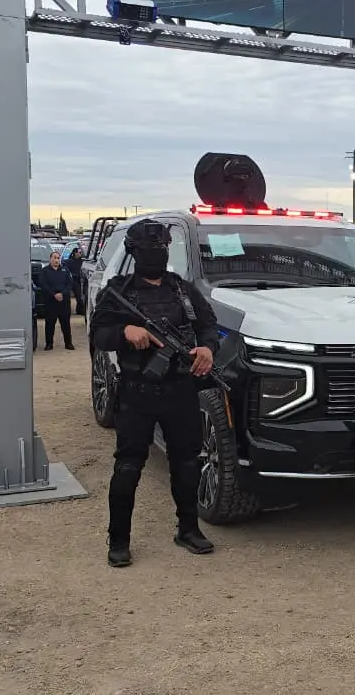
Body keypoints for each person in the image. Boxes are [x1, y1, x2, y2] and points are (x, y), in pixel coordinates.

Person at [89, 219, 220, 567]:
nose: (156, 255)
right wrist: (125, 331)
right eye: (150, 250)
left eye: (161, 249)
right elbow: (99, 333)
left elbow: (208, 325)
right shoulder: (117, 292)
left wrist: (207, 349)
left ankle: (188, 529)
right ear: (134, 252)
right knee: (129, 467)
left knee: (188, 463)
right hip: (137, 392)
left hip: (180, 389)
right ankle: (118, 540)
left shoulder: (183, 290)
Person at [38, 250, 75, 350]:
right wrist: (54, 294)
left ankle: (68, 343)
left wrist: (62, 294)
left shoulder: (65, 270)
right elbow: (43, 284)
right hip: (51, 301)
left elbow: (70, 284)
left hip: (63, 302)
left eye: (58, 258)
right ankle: (49, 344)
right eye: (54, 258)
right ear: (50, 259)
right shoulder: (45, 271)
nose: (56, 260)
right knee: (50, 324)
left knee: (65, 324)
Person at [65, 245, 85, 311]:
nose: (80, 254)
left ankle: (80, 309)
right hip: (69, 280)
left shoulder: (82, 262)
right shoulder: (68, 262)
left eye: (80, 253)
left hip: (78, 281)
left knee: (79, 296)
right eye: (79, 253)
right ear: (75, 253)